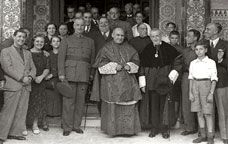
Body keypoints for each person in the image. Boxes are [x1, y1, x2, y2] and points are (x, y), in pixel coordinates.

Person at [91, 27, 142, 136]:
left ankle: (128, 131)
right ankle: (113, 131)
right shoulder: (106, 48)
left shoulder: (130, 48)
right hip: (111, 83)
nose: (120, 37)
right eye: (117, 35)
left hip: (128, 83)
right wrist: (114, 66)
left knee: (128, 105)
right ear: (113, 35)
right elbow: (100, 65)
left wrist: (130, 66)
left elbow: (136, 61)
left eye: (122, 35)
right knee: (113, 106)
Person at [139, 28, 181, 139]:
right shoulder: (147, 49)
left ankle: (165, 128)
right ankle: (154, 128)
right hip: (151, 81)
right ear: (150, 37)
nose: (155, 38)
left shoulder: (169, 48)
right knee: (153, 106)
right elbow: (142, 66)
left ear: (161, 35)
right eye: (152, 36)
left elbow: (178, 63)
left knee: (165, 106)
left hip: (165, 81)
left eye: (157, 36)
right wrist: (142, 83)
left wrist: (172, 77)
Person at [58, 18, 95, 136]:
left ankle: (76, 126)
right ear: (73, 26)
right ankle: (67, 127)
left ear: (84, 27)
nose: (80, 27)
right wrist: (61, 73)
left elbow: (92, 59)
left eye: (82, 25)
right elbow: (61, 58)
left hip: (84, 74)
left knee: (80, 102)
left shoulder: (90, 41)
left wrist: (91, 74)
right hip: (69, 74)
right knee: (68, 102)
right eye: (77, 25)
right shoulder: (66, 40)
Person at [0, 29, 36, 144]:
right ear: (14, 37)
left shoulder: (28, 53)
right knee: (8, 111)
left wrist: (30, 77)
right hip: (13, 85)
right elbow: (7, 68)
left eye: (23, 37)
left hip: (26, 86)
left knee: (21, 110)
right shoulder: (5, 51)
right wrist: (21, 78)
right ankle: (1, 135)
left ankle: (15, 133)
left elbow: (33, 68)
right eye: (19, 36)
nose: (21, 39)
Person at [188, 42, 217, 144]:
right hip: (195, 85)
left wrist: (211, 93)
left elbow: (214, 79)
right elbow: (191, 78)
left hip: (206, 85)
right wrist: (190, 92)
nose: (198, 51)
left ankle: (210, 136)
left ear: (206, 50)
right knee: (199, 112)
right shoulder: (193, 63)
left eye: (201, 49)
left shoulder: (211, 62)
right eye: (196, 49)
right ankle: (203, 135)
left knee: (207, 113)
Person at [204, 23, 228, 144]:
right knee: (208, 110)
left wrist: (220, 60)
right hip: (206, 82)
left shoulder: (225, 44)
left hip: (221, 82)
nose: (205, 31)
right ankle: (210, 135)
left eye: (208, 29)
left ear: (216, 31)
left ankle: (225, 136)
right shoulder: (203, 44)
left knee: (223, 110)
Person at [26, 35, 50, 135]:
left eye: (41, 42)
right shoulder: (27, 53)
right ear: (33, 42)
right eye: (37, 41)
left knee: (38, 103)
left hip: (41, 82)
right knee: (28, 102)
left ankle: (35, 124)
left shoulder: (45, 54)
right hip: (29, 80)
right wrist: (34, 77)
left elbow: (47, 67)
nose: (39, 43)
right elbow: (25, 66)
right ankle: (25, 123)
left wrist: (41, 77)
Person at [180, 29, 200, 136]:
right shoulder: (185, 51)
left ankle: (202, 128)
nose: (186, 38)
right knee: (186, 101)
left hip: (199, 77)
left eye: (189, 36)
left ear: (195, 38)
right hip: (187, 76)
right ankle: (189, 127)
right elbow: (180, 63)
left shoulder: (201, 49)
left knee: (199, 101)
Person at [46, 36, 62, 117]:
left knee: (58, 96)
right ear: (51, 43)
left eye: (58, 41)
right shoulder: (48, 54)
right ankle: (49, 113)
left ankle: (57, 113)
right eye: (54, 41)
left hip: (59, 78)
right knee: (50, 96)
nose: (56, 43)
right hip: (49, 79)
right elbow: (46, 65)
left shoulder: (63, 54)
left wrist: (53, 74)